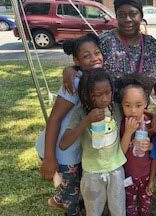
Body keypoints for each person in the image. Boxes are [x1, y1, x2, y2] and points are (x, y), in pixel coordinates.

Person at [35, 33, 103, 215]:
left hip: (75, 146)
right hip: (61, 150)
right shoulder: (75, 82)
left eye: (97, 53)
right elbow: (54, 119)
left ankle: (60, 198)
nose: (94, 58)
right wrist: (50, 158)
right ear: (77, 60)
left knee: (75, 187)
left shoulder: (97, 78)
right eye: (86, 56)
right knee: (72, 198)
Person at [63, 0, 156, 96]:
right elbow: (86, 63)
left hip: (140, 110)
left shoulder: (152, 44)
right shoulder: (104, 42)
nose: (127, 19)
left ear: (141, 16)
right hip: (108, 110)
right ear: (116, 17)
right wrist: (70, 70)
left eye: (133, 14)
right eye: (121, 15)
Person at [59, 68, 127, 216]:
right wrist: (87, 120)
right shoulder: (81, 112)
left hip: (115, 169)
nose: (104, 98)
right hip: (92, 172)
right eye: (98, 95)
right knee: (94, 211)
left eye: (108, 92)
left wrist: (151, 116)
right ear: (87, 95)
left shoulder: (116, 108)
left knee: (118, 210)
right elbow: (63, 144)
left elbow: (135, 111)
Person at [117, 74, 154, 216]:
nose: (133, 110)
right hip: (128, 176)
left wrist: (149, 146)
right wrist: (128, 132)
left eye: (138, 105)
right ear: (122, 105)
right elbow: (120, 153)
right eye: (127, 105)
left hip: (145, 176)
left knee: (145, 207)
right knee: (130, 207)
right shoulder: (122, 124)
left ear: (145, 104)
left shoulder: (151, 123)